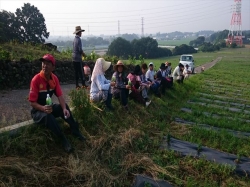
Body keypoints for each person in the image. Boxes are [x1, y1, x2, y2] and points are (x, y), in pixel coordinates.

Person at [29, 54, 85, 153]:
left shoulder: (54, 79)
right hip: (37, 111)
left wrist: (64, 109)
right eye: (43, 63)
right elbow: (32, 103)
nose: (45, 66)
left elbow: (60, 96)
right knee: (48, 116)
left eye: (48, 64)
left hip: (48, 108)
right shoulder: (36, 80)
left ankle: (75, 130)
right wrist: (43, 108)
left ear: (53, 67)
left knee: (64, 107)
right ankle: (63, 139)